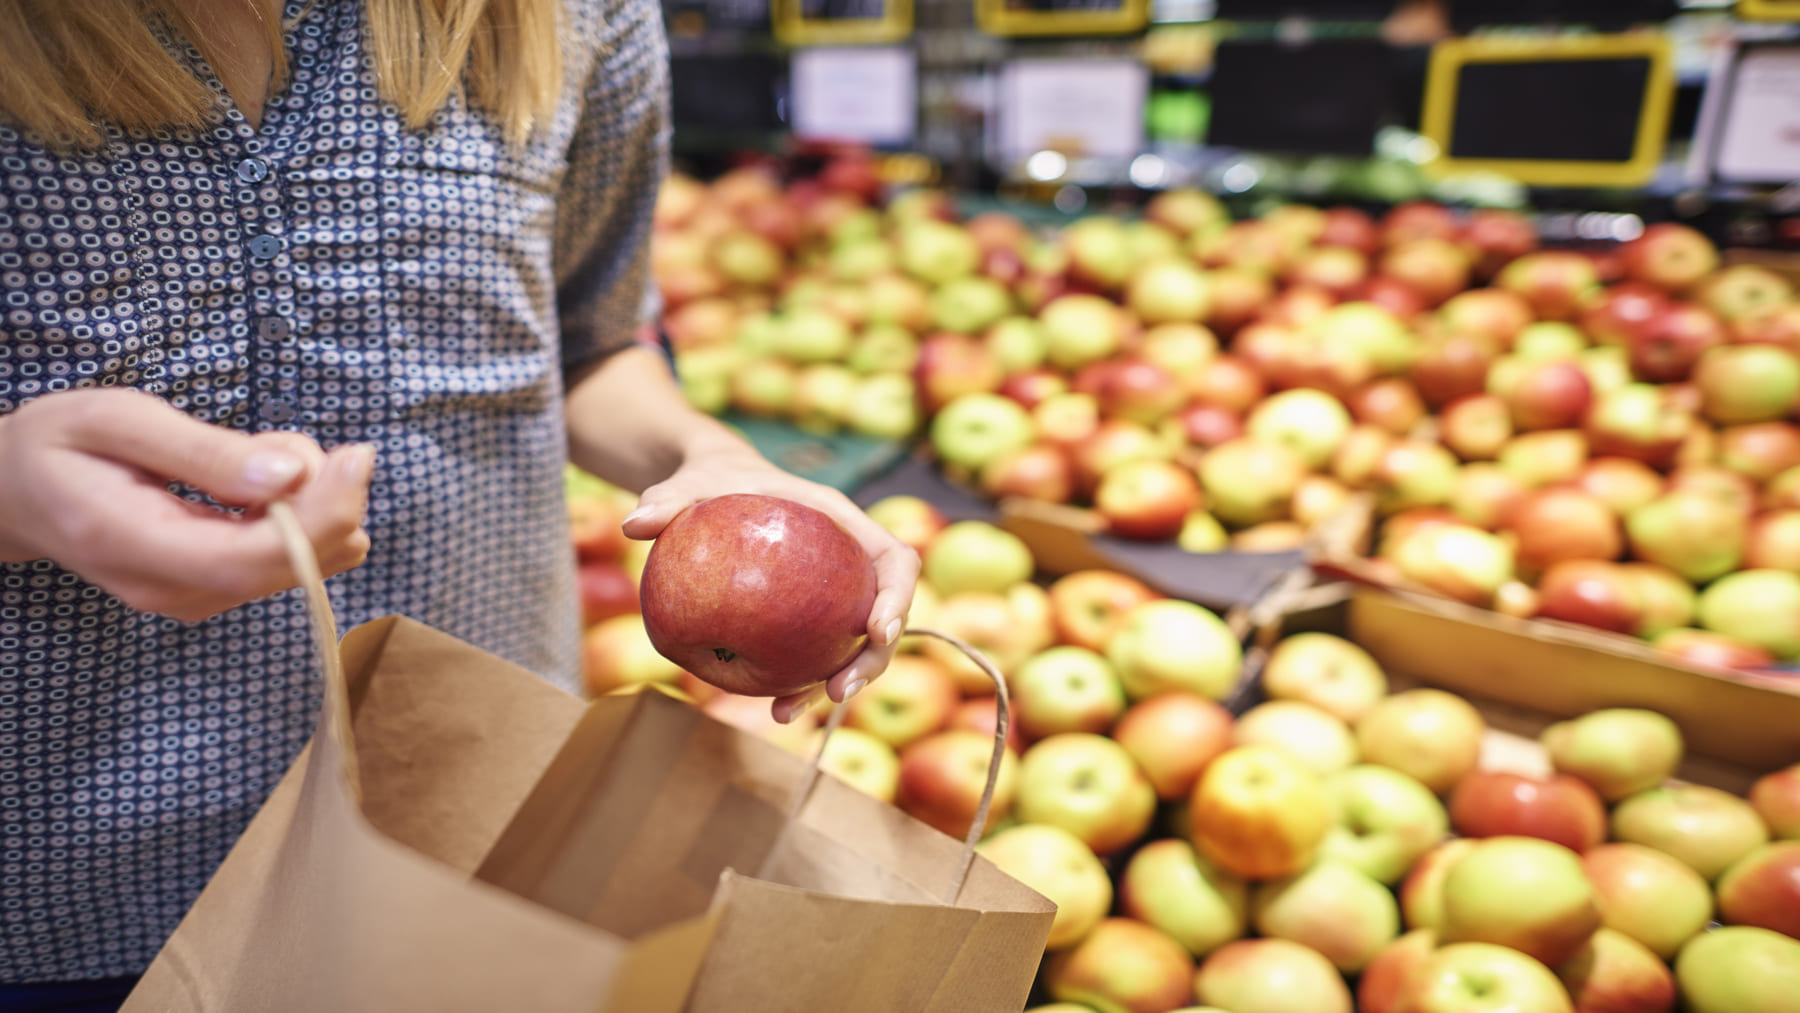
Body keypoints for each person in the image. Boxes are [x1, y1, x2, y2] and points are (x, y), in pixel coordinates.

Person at [0, 0, 918, 1006]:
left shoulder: (573, 16)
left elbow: (588, 340)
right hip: (74, 872)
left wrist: (710, 457)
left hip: (485, 796)